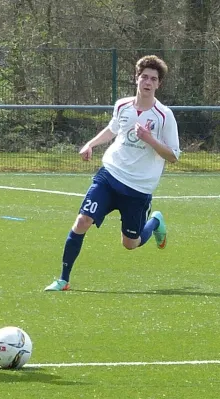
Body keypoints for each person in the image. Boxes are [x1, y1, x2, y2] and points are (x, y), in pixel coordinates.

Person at [44, 55, 180, 292]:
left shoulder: (164, 116)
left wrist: (149, 139)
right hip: (109, 176)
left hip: (138, 189)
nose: (147, 82)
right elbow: (113, 129)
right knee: (81, 221)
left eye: (153, 79)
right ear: (136, 79)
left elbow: (174, 156)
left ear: (159, 84)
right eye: (144, 77)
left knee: (131, 243)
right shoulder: (122, 105)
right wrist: (90, 144)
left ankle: (155, 220)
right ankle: (63, 280)